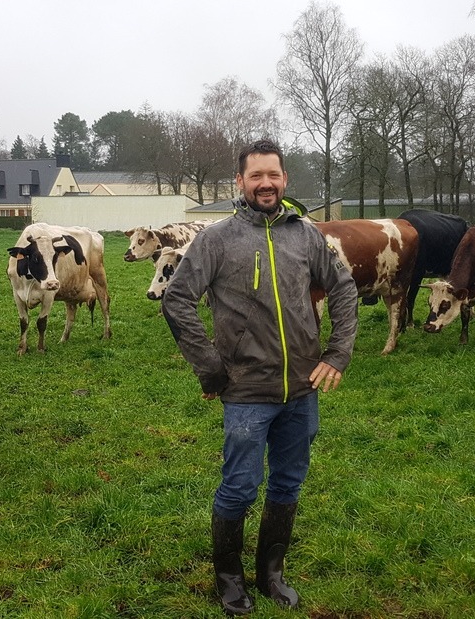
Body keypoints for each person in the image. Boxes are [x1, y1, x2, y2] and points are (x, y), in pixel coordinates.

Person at [162, 138, 358, 614]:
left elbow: (344, 288)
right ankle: (229, 578)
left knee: (288, 483)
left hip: (302, 388)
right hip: (246, 390)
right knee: (239, 486)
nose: (265, 183)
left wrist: (337, 354)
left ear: (284, 179)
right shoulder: (217, 238)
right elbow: (177, 299)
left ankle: (271, 572)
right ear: (241, 182)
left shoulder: (305, 234)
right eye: (256, 176)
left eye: (273, 175)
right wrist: (211, 370)